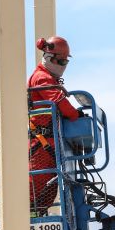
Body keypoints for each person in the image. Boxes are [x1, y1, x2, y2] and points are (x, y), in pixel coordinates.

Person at [28, 36, 80, 216]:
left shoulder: (48, 77)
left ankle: (35, 219)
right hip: (42, 144)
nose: (64, 64)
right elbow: (58, 102)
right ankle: (28, 225)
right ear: (51, 58)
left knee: (47, 192)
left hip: (49, 144)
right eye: (62, 61)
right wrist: (75, 115)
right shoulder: (42, 78)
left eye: (66, 61)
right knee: (36, 190)